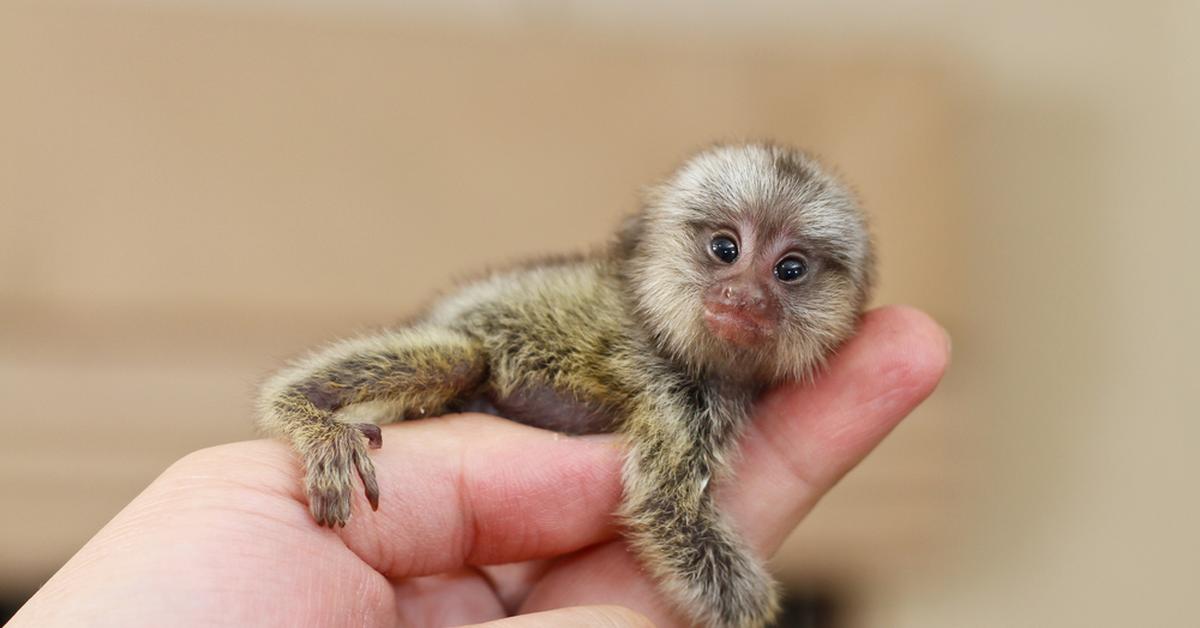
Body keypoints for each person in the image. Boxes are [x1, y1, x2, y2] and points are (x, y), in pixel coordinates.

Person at [9, 306, 948, 627]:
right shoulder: (673, 367)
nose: (745, 294)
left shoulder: (726, 384)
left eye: (793, 275)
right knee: (449, 360)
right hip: (487, 360)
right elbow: (669, 508)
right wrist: (746, 609)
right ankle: (305, 409)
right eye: (722, 252)